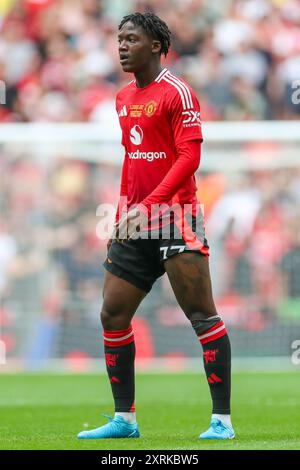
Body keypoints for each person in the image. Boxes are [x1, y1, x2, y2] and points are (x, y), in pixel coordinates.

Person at [78, 12, 234, 440]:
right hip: (138, 216)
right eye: (119, 39)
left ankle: (222, 420)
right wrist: (125, 209)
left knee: (201, 315)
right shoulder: (124, 97)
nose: (122, 46)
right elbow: (134, 157)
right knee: (112, 312)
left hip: (176, 216)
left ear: (155, 45)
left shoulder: (178, 93)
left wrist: (149, 205)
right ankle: (124, 420)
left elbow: (189, 159)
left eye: (131, 39)